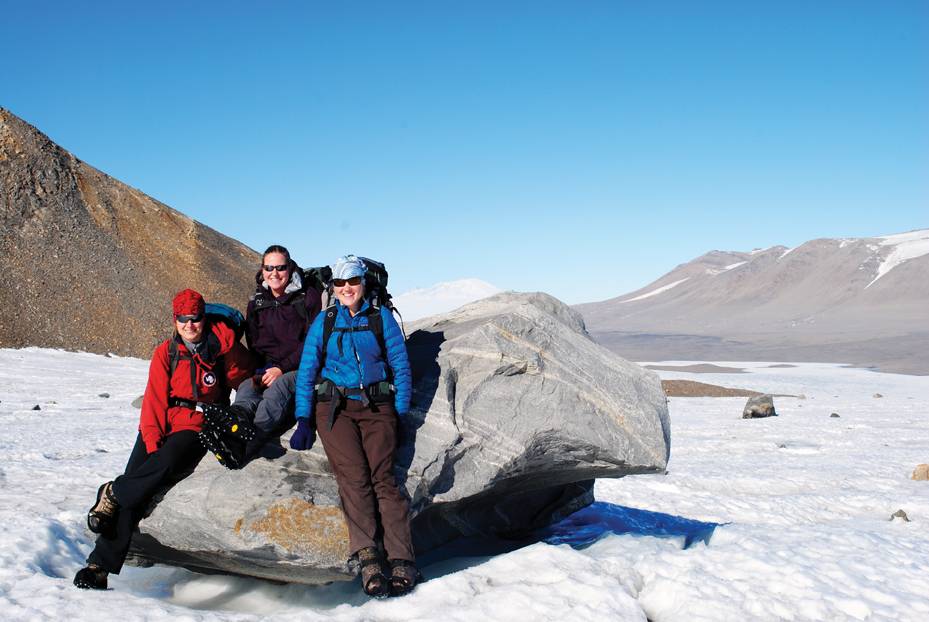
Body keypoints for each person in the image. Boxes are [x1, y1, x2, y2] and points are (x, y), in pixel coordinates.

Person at [74, 289, 252, 590]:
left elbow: (246, 377)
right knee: (139, 481)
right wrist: (152, 440)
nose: (189, 325)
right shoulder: (165, 352)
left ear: (203, 318)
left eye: (195, 319)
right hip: (164, 420)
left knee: (163, 465)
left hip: (197, 424)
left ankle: (112, 492)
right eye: (183, 319)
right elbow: (154, 402)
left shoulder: (224, 346)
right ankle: (99, 566)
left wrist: (251, 397)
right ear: (175, 320)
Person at [290, 255, 418, 597]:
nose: (347, 289)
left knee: (385, 480)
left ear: (363, 284)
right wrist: (303, 418)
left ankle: (402, 559)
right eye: (340, 284)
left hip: (377, 407)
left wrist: (400, 414)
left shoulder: (382, 319)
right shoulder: (325, 321)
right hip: (335, 410)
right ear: (333, 287)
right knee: (353, 479)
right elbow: (307, 370)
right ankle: (369, 559)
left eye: (353, 283)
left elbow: (401, 368)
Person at [232, 245, 321, 453]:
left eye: (280, 268)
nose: (274, 274)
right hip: (270, 366)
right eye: (269, 268)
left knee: (277, 392)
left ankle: (248, 442)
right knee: (247, 387)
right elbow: (254, 340)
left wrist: (281, 368)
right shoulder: (257, 301)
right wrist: (263, 369)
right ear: (262, 270)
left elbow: (313, 342)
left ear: (289, 268)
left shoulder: (308, 297)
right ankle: (235, 423)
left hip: (301, 367)